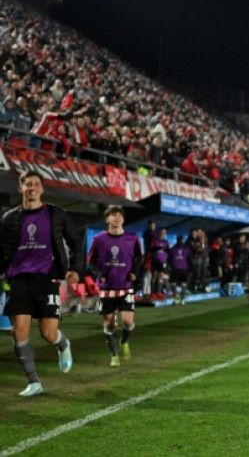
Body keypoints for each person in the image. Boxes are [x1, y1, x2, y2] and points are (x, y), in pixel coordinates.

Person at [1, 170, 85, 397]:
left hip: (47, 279)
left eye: (36, 184)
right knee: (19, 332)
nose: (32, 188)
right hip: (19, 280)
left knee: (48, 333)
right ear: (21, 188)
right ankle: (34, 381)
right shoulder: (9, 218)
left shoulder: (56, 214)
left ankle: (62, 344)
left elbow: (76, 241)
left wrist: (75, 270)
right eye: (28, 184)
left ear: (42, 189)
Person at [88, 205, 143, 367]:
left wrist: (135, 272)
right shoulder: (98, 239)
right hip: (107, 288)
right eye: (113, 215)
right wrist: (99, 274)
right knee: (110, 323)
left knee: (127, 321)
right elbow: (90, 261)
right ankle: (113, 355)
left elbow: (139, 258)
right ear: (107, 219)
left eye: (119, 215)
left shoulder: (133, 238)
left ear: (123, 219)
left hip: (125, 286)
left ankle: (124, 342)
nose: (117, 217)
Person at [169, 235, 191, 304]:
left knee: (173, 283)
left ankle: (175, 298)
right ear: (182, 240)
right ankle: (183, 299)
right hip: (184, 268)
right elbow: (190, 259)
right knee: (183, 283)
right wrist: (190, 269)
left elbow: (169, 259)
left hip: (175, 268)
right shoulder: (187, 249)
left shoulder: (172, 249)